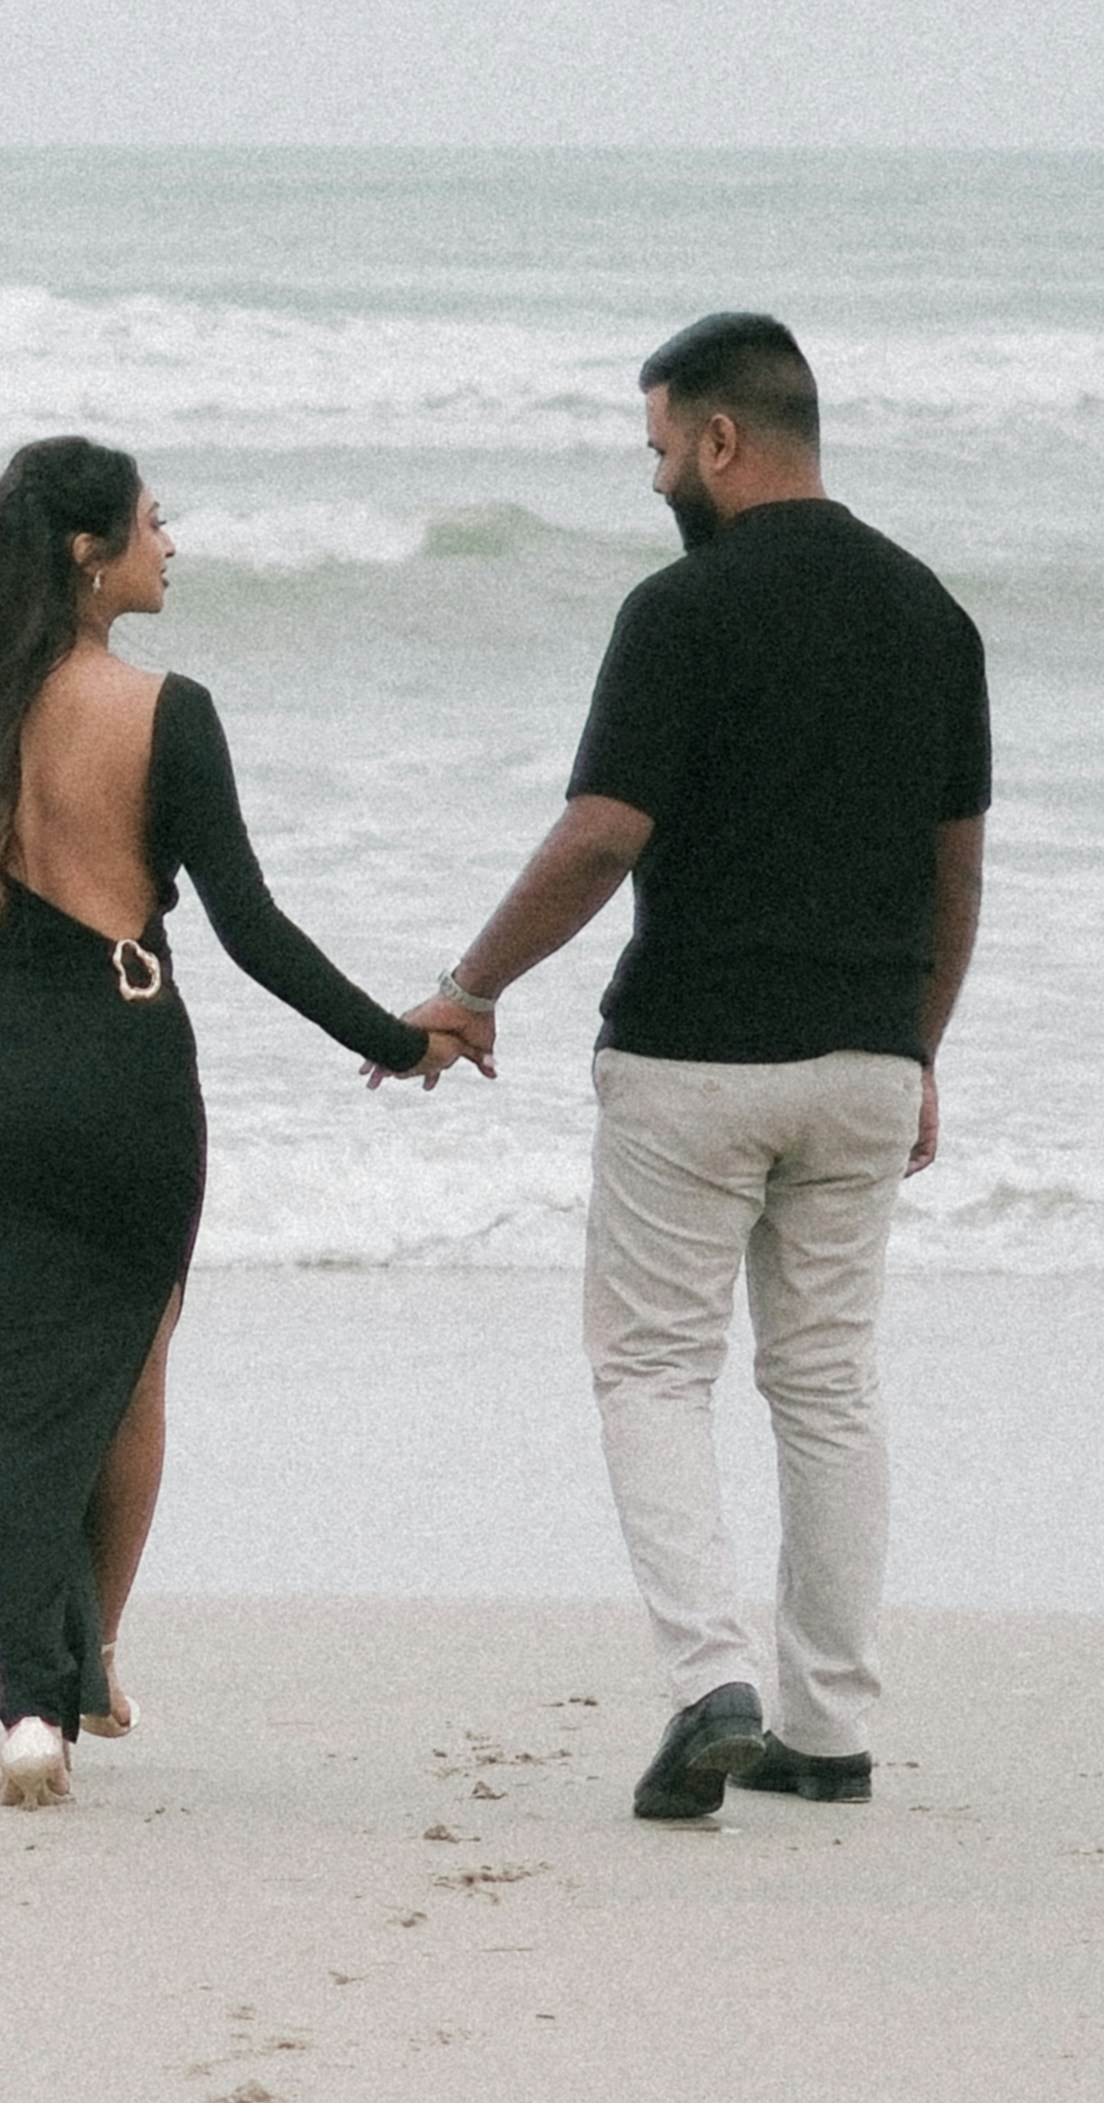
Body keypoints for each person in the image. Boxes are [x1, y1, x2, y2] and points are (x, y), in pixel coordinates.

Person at [414, 312, 988, 1828]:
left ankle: (708, 1684)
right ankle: (829, 1727)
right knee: (829, 1383)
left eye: (661, 443)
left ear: (721, 440)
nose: (657, 472)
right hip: (869, 1062)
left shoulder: (681, 612)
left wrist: (472, 987)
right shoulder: (933, 616)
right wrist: (915, 1049)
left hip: (695, 1059)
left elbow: (606, 833)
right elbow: (957, 875)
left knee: (656, 1368)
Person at [0, 436, 452, 1809]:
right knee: (131, 1368)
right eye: (152, 522)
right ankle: (86, 1660)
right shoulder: (167, 713)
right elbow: (251, 930)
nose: (170, 543)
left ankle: (32, 1708)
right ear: (92, 557)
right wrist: (402, 1039)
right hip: (126, 1060)